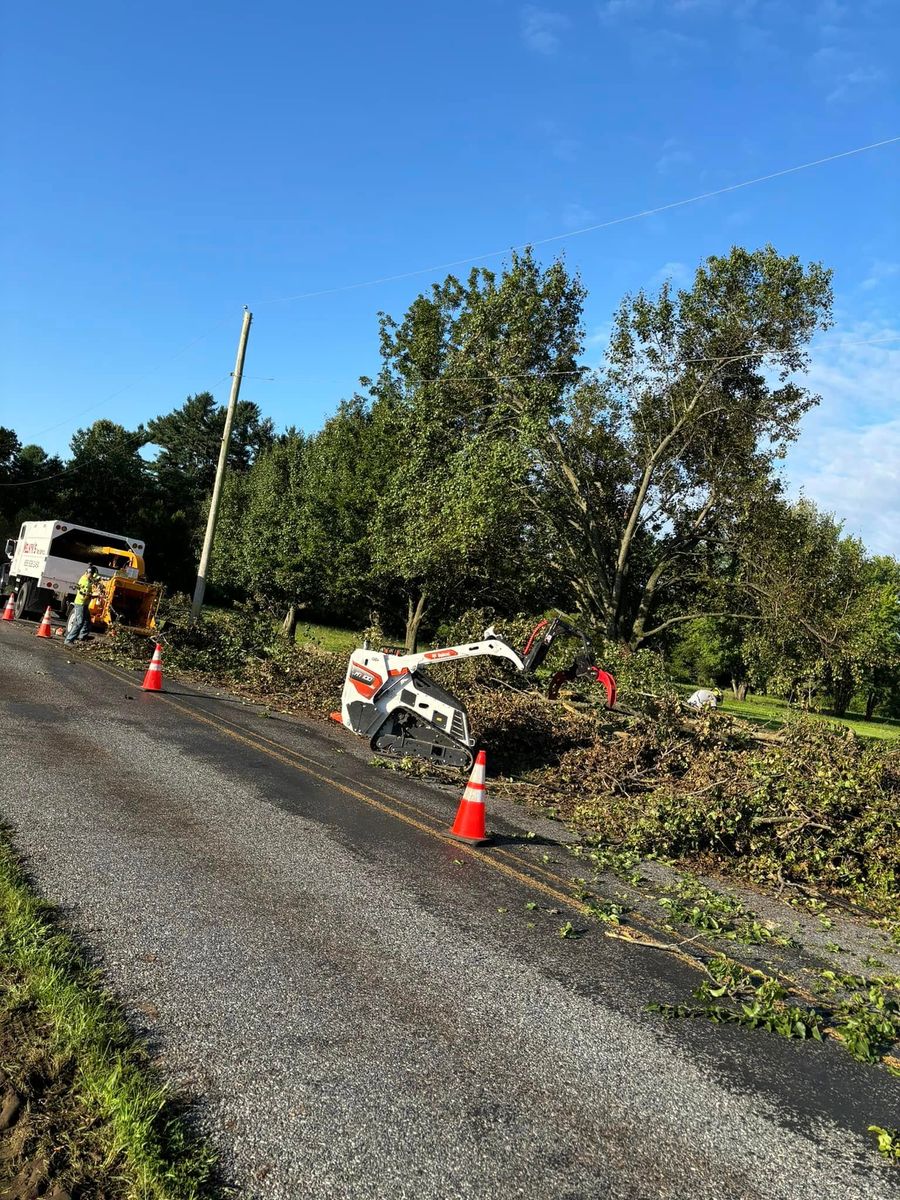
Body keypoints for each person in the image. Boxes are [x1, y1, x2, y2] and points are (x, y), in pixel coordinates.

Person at [65, 565, 100, 645]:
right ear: (89, 573)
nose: (93, 577)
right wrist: (95, 595)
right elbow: (85, 595)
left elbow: (93, 583)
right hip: (80, 603)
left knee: (87, 620)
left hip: (84, 604)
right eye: (92, 575)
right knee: (79, 622)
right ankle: (69, 640)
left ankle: (82, 637)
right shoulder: (85, 582)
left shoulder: (87, 578)